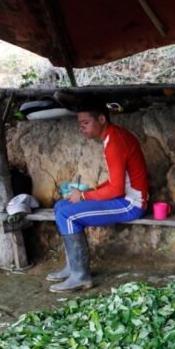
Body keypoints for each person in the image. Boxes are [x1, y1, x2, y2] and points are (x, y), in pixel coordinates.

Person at [48, 98, 149, 293]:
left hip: (131, 203)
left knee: (66, 214)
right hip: (124, 197)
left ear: (101, 119)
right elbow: (114, 184)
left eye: (85, 123)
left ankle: (80, 276)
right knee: (61, 206)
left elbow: (117, 189)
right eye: (80, 124)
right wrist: (87, 193)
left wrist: (85, 196)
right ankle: (72, 267)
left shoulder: (115, 141)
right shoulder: (112, 136)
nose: (82, 128)